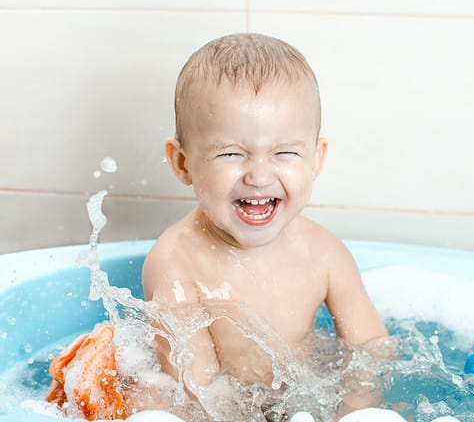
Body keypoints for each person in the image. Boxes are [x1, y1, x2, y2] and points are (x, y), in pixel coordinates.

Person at [141, 33, 390, 417]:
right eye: (231, 154)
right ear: (182, 162)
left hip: (304, 399)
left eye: (285, 153)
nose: (259, 176)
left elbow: (370, 351)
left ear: (315, 160)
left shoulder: (323, 253)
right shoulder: (175, 262)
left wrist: (355, 409)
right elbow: (195, 388)